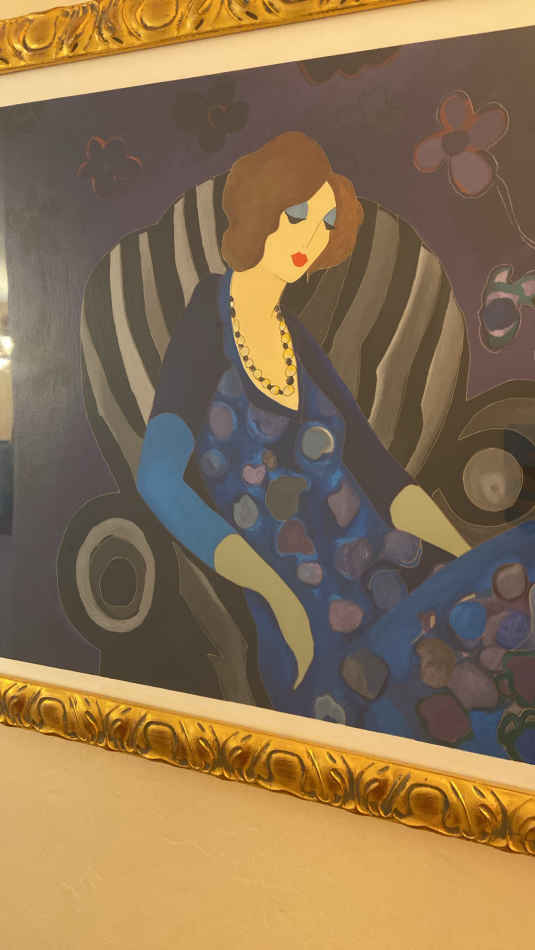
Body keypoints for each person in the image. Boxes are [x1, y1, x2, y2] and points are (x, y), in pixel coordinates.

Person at [137, 132, 535, 760]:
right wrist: (273, 593)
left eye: (324, 223)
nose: (311, 236)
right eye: (297, 213)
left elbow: (381, 476)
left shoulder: (295, 337)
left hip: (400, 571)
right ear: (261, 209)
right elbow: (157, 480)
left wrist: (469, 562)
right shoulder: (204, 325)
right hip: (315, 622)